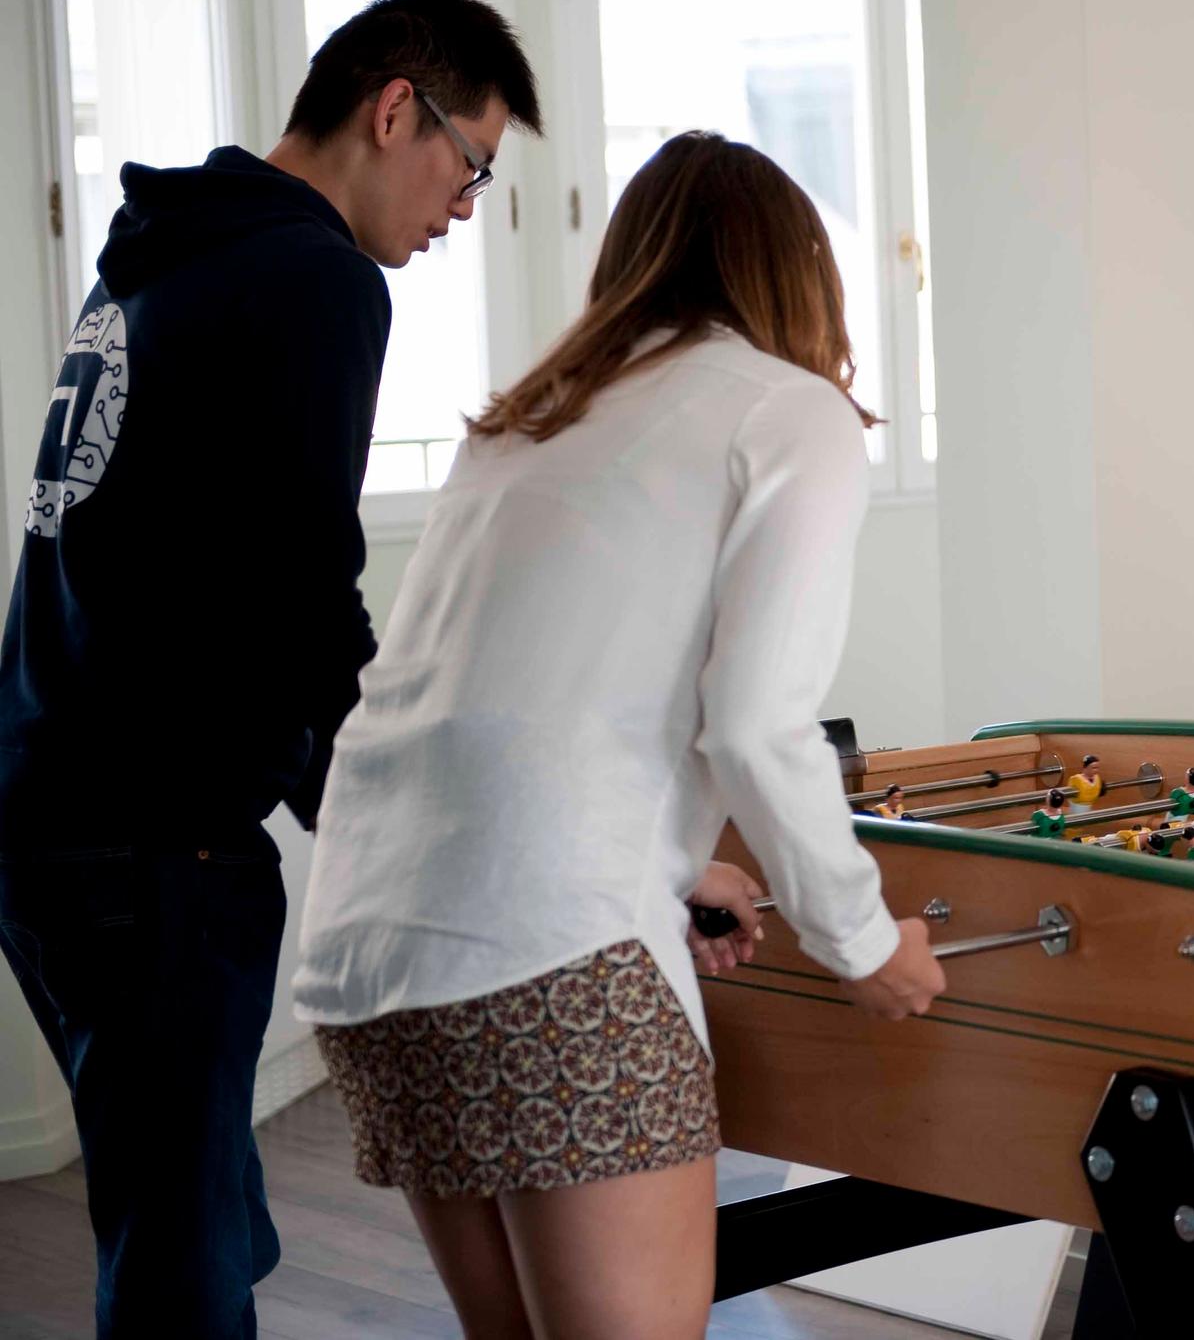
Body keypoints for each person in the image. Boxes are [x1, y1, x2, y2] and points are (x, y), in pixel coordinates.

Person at [291, 132, 947, 1340]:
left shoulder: (527, 418)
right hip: (548, 957)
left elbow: (479, 696)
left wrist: (673, 869)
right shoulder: (789, 411)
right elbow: (756, 724)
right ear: (799, 271)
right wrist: (864, 943)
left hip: (366, 948)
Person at [0, 0, 540, 1338]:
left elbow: (174, 552)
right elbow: (306, 591)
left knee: (200, 1207)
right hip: (154, 846)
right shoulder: (315, 278)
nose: (465, 207)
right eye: (471, 164)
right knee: (182, 1262)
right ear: (396, 108)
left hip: (42, 805)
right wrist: (391, 822)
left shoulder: (162, 250)